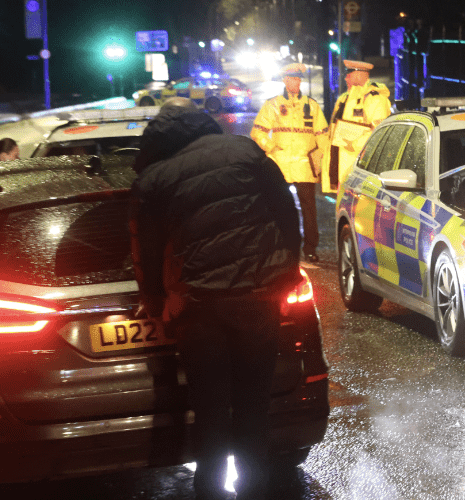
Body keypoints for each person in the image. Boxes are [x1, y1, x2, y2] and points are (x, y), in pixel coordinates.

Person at [129, 97, 302, 500]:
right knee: (253, 406)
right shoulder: (246, 151)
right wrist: (287, 270)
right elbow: (286, 213)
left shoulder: (155, 178)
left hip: (198, 309)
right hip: (258, 299)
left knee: (209, 410)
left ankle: (210, 491)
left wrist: (153, 298)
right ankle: (255, 489)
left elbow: (146, 249)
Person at [250, 63, 329, 262]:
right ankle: (279, 247)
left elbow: (322, 136)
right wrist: (271, 147)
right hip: (280, 163)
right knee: (278, 206)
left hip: (304, 164)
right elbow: (257, 131)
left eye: (298, 79)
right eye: (292, 79)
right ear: (285, 81)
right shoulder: (273, 105)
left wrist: (321, 161)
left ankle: (310, 248)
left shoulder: (311, 105)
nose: (295, 82)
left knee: (309, 209)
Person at [321, 59, 392, 193]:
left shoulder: (376, 100)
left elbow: (379, 133)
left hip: (360, 170)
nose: (346, 77)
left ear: (360, 74)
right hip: (341, 168)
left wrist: (354, 144)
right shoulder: (344, 99)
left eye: (349, 73)